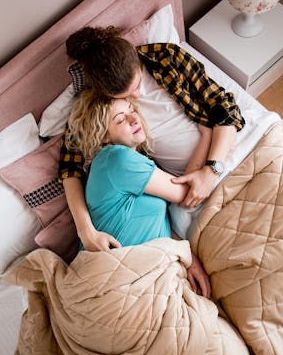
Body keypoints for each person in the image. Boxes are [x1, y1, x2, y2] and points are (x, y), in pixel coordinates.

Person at [59, 26, 245, 252]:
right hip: (191, 190)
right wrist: (85, 230)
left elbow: (224, 107)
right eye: (125, 96)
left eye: (137, 85)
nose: (137, 96)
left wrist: (211, 170)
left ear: (136, 60)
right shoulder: (96, 108)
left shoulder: (166, 56)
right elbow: (69, 169)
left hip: (231, 152)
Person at [66, 91, 211, 298]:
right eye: (120, 119)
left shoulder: (131, 164)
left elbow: (153, 221)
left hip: (153, 277)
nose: (134, 118)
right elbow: (187, 193)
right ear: (104, 136)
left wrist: (188, 257)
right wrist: (207, 136)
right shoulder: (117, 159)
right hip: (115, 286)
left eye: (131, 110)